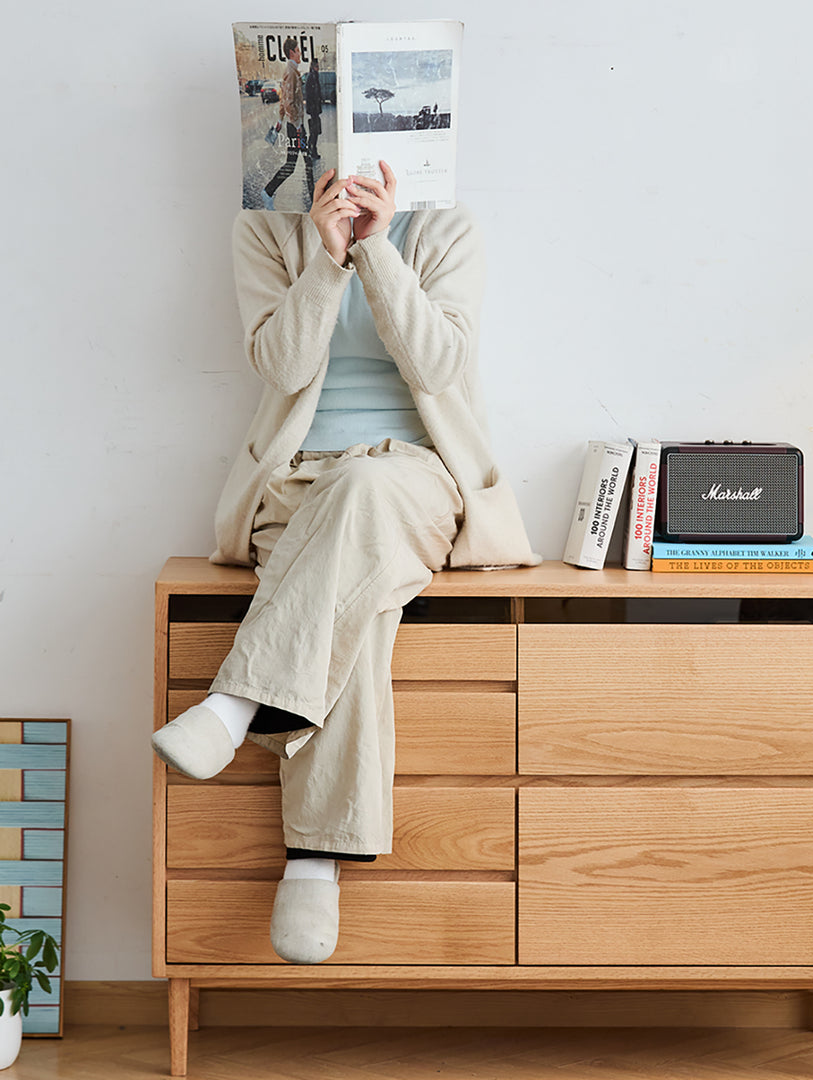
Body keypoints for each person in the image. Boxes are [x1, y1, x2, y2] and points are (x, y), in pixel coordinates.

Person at [152, 162, 538, 964]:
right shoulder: (261, 226)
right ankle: (315, 860)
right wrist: (328, 259)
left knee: (364, 490)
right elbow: (284, 369)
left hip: (415, 477)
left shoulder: (446, 227)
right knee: (357, 604)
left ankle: (232, 710)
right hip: (296, 483)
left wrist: (380, 248)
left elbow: (439, 369)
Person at [262, 36, 314, 210]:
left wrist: (280, 119)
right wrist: (298, 127)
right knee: (296, 163)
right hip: (296, 126)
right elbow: (290, 101)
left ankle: (314, 197)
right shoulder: (291, 72)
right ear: (292, 52)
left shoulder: (290, 71)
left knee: (306, 160)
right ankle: (268, 191)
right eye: (298, 50)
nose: (300, 54)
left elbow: (284, 100)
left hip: (294, 125)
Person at [305, 57, 323, 162]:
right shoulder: (311, 77)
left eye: (318, 66)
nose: (318, 68)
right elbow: (310, 94)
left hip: (315, 109)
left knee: (315, 131)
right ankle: (312, 150)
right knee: (314, 131)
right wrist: (313, 107)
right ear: (312, 67)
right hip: (313, 110)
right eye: (316, 66)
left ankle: (310, 149)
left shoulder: (314, 76)